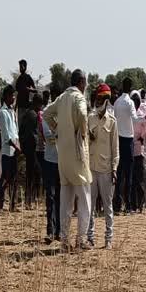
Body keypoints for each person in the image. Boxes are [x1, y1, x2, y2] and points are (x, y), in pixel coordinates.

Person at [43, 69, 92, 251]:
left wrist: (58, 130)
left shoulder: (62, 97)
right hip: (78, 155)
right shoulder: (78, 97)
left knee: (65, 199)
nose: (86, 86)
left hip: (62, 155)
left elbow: (46, 113)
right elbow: (81, 113)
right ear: (81, 82)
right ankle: (81, 239)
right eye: (85, 82)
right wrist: (81, 131)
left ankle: (64, 241)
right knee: (85, 199)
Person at [87, 84, 119, 249]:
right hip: (91, 169)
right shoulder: (90, 118)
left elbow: (116, 148)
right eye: (97, 98)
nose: (98, 101)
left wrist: (114, 169)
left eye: (102, 99)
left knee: (108, 206)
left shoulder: (112, 121)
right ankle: (90, 238)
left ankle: (108, 239)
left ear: (107, 101)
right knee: (90, 206)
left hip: (107, 170)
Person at [113, 77, 138, 214]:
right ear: (130, 88)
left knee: (119, 173)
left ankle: (117, 205)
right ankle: (128, 206)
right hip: (128, 140)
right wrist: (144, 118)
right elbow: (134, 118)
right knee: (129, 175)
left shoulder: (117, 102)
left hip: (118, 140)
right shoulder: (130, 102)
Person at [41, 88, 61, 243]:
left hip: (61, 160)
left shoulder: (63, 114)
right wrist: (59, 134)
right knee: (50, 196)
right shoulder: (46, 113)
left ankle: (59, 231)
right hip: (49, 160)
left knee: (61, 197)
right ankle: (50, 230)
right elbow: (48, 135)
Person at [0, 86, 21, 213]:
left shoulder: (12, 111)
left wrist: (18, 144)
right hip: (7, 150)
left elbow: (15, 131)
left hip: (14, 149)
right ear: (6, 96)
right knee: (5, 178)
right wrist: (15, 146)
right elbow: (6, 135)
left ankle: (12, 204)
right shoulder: (3, 112)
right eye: (12, 96)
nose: (14, 98)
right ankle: (0, 204)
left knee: (14, 178)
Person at [131, 92, 146, 213]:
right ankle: (136, 206)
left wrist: (142, 137)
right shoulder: (130, 116)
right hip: (132, 151)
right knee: (134, 178)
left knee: (145, 176)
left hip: (142, 151)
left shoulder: (141, 116)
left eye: (135, 102)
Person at [19, 94, 42, 209]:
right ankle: (29, 200)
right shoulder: (33, 115)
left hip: (28, 148)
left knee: (32, 174)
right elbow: (32, 134)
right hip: (32, 149)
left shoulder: (27, 113)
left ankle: (30, 199)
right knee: (33, 174)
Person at [15, 59, 36, 125]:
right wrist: (15, 107)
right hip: (20, 106)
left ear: (25, 67)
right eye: (20, 67)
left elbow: (34, 89)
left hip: (27, 106)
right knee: (20, 125)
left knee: (26, 125)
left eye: (22, 66)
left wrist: (29, 89)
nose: (20, 68)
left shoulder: (28, 77)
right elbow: (18, 93)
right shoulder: (19, 79)